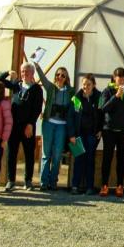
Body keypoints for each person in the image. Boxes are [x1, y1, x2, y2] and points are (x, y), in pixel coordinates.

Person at [0, 63, 44, 192]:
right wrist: (8, 72)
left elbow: (37, 108)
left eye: (27, 71)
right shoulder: (16, 85)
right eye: (22, 71)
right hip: (14, 125)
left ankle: (28, 181)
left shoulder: (37, 89)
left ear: (32, 73)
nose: (24, 73)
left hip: (28, 126)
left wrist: (30, 124)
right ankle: (11, 180)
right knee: (12, 153)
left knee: (29, 153)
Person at [34, 62, 78, 191]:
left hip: (62, 126)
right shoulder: (51, 88)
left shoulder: (71, 92)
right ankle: (43, 182)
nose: (60, 77)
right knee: (46, 154)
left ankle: (53, 182)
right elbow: (42, 78)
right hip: (48, 123)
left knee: (57, 155)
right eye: (58, 74)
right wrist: (37, 66)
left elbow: (78, 106)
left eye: (63, 75)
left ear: (66, 78)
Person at [99, 67, 124, 197]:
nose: (121, 79)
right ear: (114, 77)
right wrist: (116, 96)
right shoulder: (107, 91)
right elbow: (103, 108)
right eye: (119, 76)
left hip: (123, 132)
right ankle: (104, 185)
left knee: (122, 159)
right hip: (109, 131)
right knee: (107, 159)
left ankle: (120, 185)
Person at [72, 73, 102, 195]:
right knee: (78, 158)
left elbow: (101, 114)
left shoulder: (99, 97)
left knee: (90, 159)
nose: (86, 86)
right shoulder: (76, 98)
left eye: (88, 84)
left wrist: (100, 129)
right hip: (78, 134)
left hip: (92, 134)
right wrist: (72, 134)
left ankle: (90, 186)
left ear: (93, 85)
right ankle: (75, 185)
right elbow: (72, 116)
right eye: (84, 84)